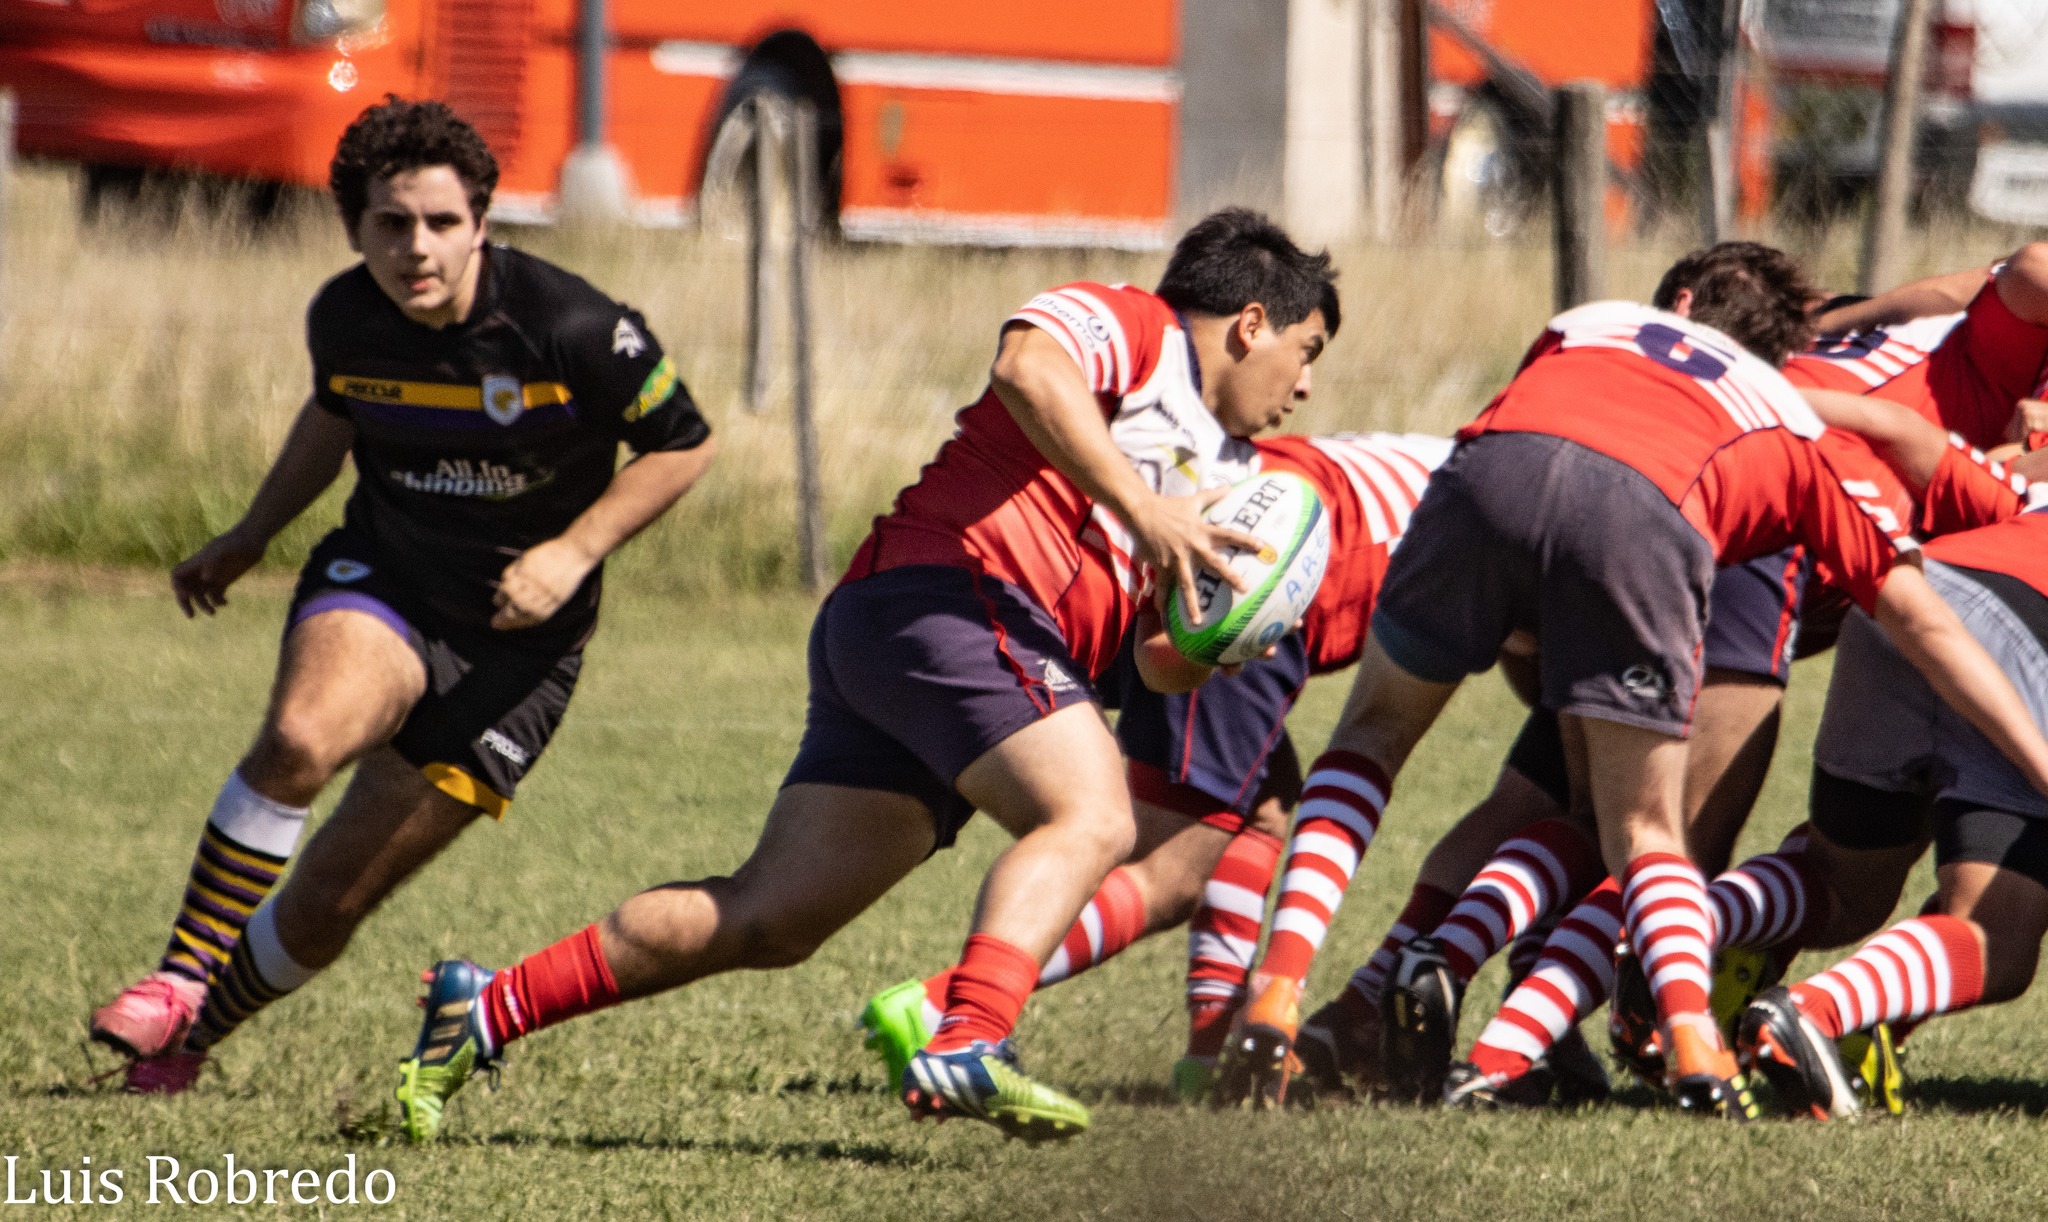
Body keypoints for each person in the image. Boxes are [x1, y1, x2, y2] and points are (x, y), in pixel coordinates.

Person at [383, 208, 1338, 1144]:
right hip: (951, 597)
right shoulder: (1139, 328)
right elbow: (1025, 365)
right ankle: (969, 1037)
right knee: (1093, 815)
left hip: (920, 644)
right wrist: (1145, 509)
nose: (1304, 384)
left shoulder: (1224, 475)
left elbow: (1145, 662)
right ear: (1251, 323)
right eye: (1307, 348)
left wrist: (1212, 647)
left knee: (769, 919)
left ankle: (485, 1008)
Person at [1222, 241, 2048, 1119]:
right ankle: (1586, 1040)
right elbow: (1924, 559)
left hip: (1510, 475)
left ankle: (1342, 996)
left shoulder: (1602, 326)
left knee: (1508, 790)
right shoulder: (1842, 403)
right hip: (1708, 532)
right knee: (1660, 834)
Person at [85, 97, 719, 1094]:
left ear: (481, 223)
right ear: (356, 228)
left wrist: (572, 549)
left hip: (517, 652)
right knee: (300, 737)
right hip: (386, 576)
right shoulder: (345, 317)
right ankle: (177, 974)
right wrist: (251, 534)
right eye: (390, 224)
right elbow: (335, 415)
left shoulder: (571, 326)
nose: (415, 248)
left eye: (439, 223)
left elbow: (684, 443)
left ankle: (191, 1035)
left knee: (329, 900)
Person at [851, 431, 1453, 1104]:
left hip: (1205, 541)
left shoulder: (1462, 453)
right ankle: (941, 1004)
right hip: (1243, 587)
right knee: (1172, 868)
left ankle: (1210, 1053)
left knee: (1266, 797)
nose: (1306, 383)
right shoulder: (1519, 517)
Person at [1738, 499, 2048, 1118]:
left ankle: (1699, 932)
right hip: (2019, 625)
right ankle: (1815, 1014)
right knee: (1998, 936)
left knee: (1843, 883)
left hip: (1913, 590)